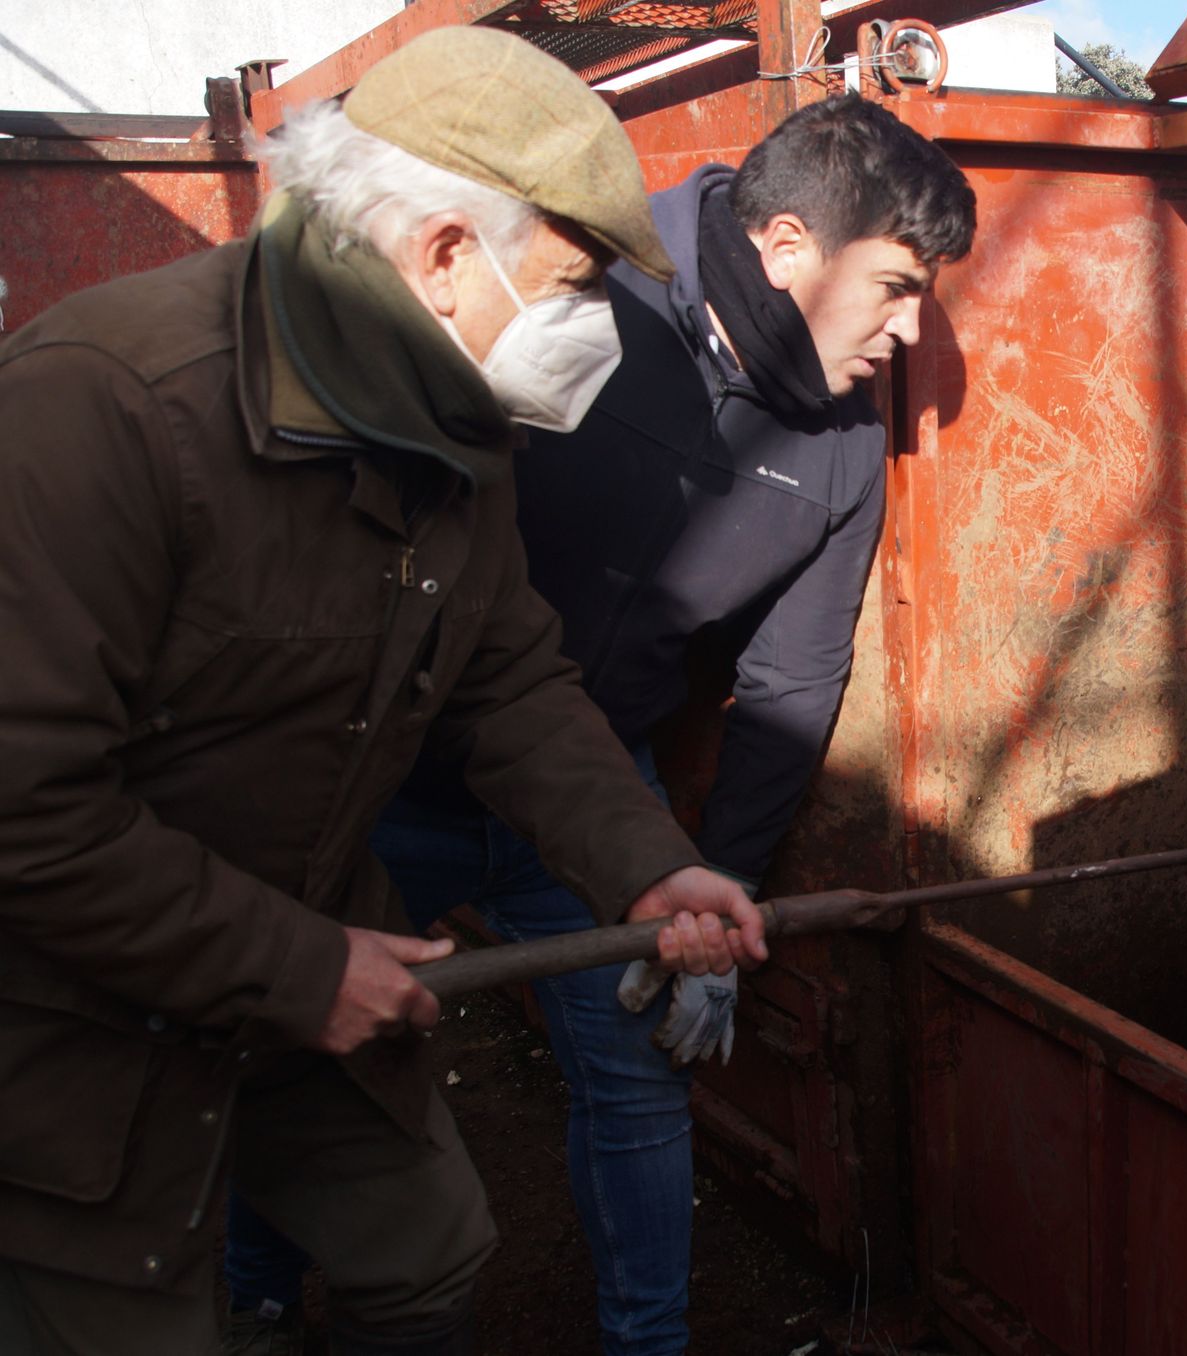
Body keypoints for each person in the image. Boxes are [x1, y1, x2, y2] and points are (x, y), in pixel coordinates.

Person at [0, 25, 766, 1356]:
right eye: (572, 286)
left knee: (422, 1258)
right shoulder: (106, 406)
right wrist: (296, 968)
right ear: (447, 254)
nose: (588, 332)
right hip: (75, 1004)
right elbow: (23, 808)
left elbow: (508, 677)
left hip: (306, 948)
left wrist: (647, 868)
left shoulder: (450, 428)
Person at [223, 94, 976, 1356]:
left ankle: (649, 1340)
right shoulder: (574, 303)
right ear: (789, 249)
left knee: (635, 1084)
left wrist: (712, 882)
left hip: (576, 792)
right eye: (897, 287)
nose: (909, 336)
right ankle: (248, 1295)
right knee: (301, 1042)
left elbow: (793, 686)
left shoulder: (843, 449)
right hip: (385, 766)